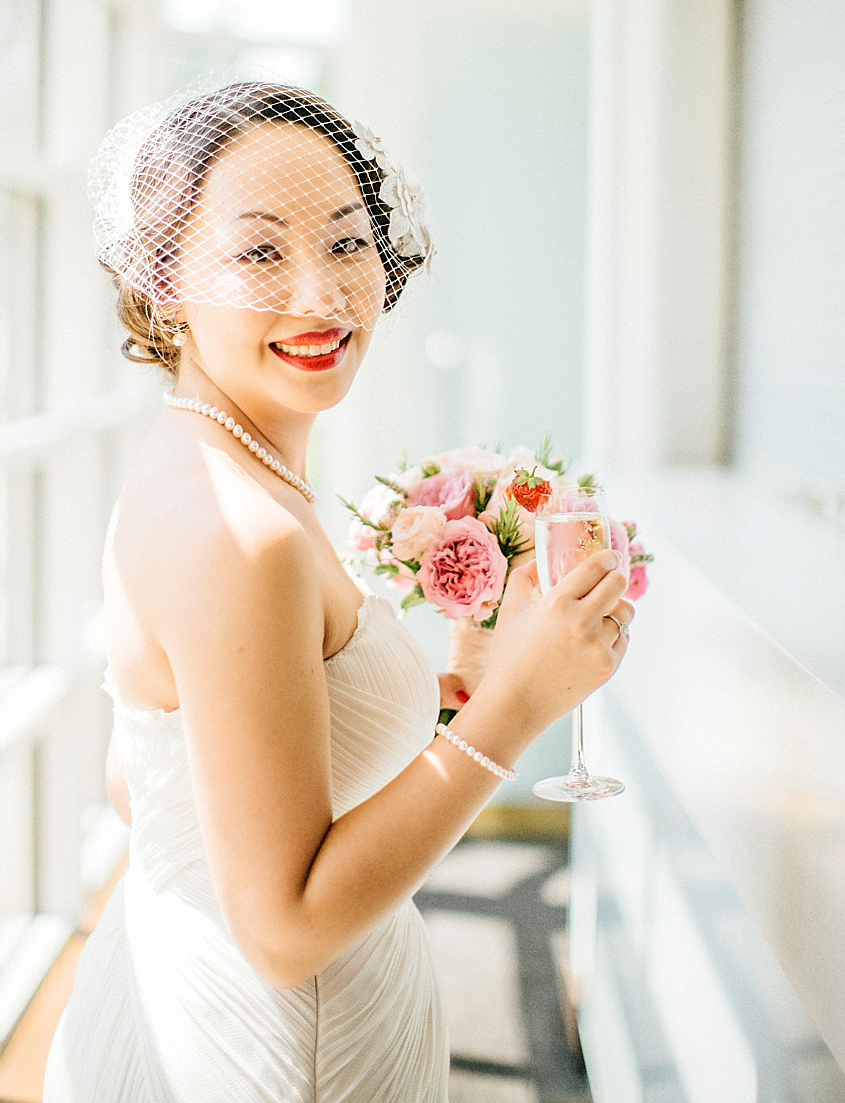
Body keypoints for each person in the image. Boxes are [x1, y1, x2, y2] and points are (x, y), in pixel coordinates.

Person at [42, 82, 633, 1102]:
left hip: (192, 1004)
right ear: (167, 274)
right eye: (261, 251)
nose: (320, 296)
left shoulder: (206, 463)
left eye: (348, 243)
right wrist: (518, 706)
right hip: (272, 1049)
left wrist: (458, 686)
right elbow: (282, 931)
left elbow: (151, 785)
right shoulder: (243, 535)